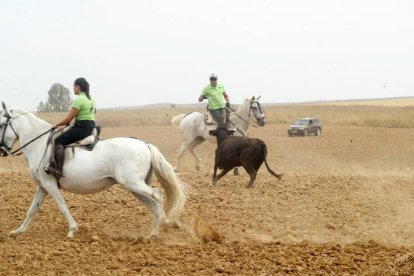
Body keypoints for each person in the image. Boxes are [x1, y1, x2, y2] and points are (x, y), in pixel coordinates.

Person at [45, 77, 96, 179]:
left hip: (82, 128)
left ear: (77, 87)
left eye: (73, 87)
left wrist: (57, 125)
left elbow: (68, 118)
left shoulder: (79, 100)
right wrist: (64, 127)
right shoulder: (91, 100)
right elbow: (83, 117)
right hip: (90, 126)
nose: (73, 89)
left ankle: (58, 169)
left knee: (58, 140)